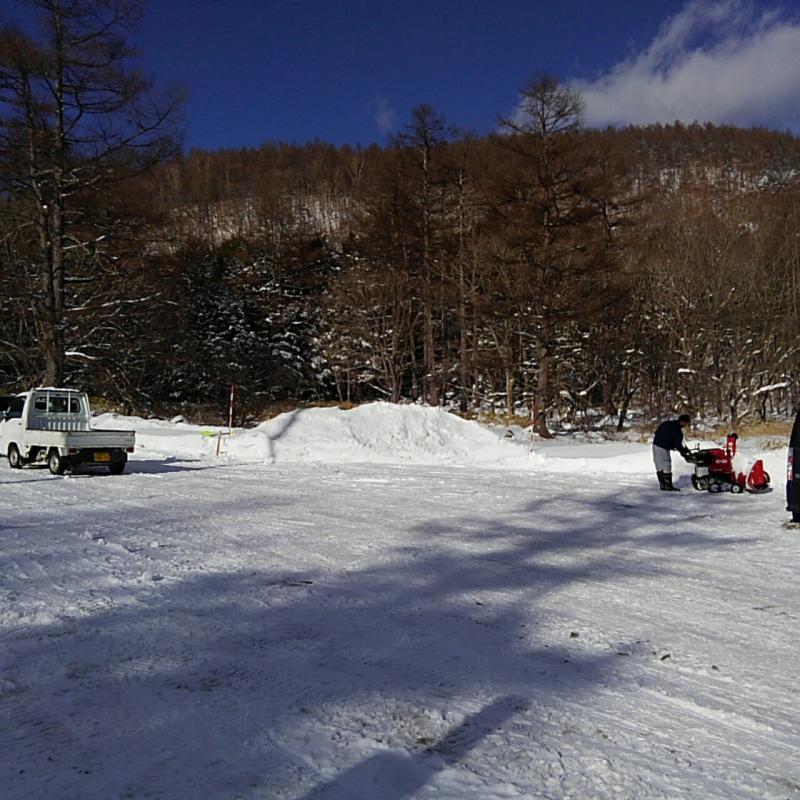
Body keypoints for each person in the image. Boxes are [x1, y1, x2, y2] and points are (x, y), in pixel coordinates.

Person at [652, 414, 692, 491]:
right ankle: (668, 486)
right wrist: (684, 454)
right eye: (686, 423)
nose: (686, 426)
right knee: (667, 465)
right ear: (683, 422)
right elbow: (677, 444)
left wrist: (671, 445)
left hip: (655, 445)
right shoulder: (677, 430)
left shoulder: (667, 423)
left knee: (659, 466)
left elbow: (656, 432)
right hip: (663, 447)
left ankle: (663, 485)